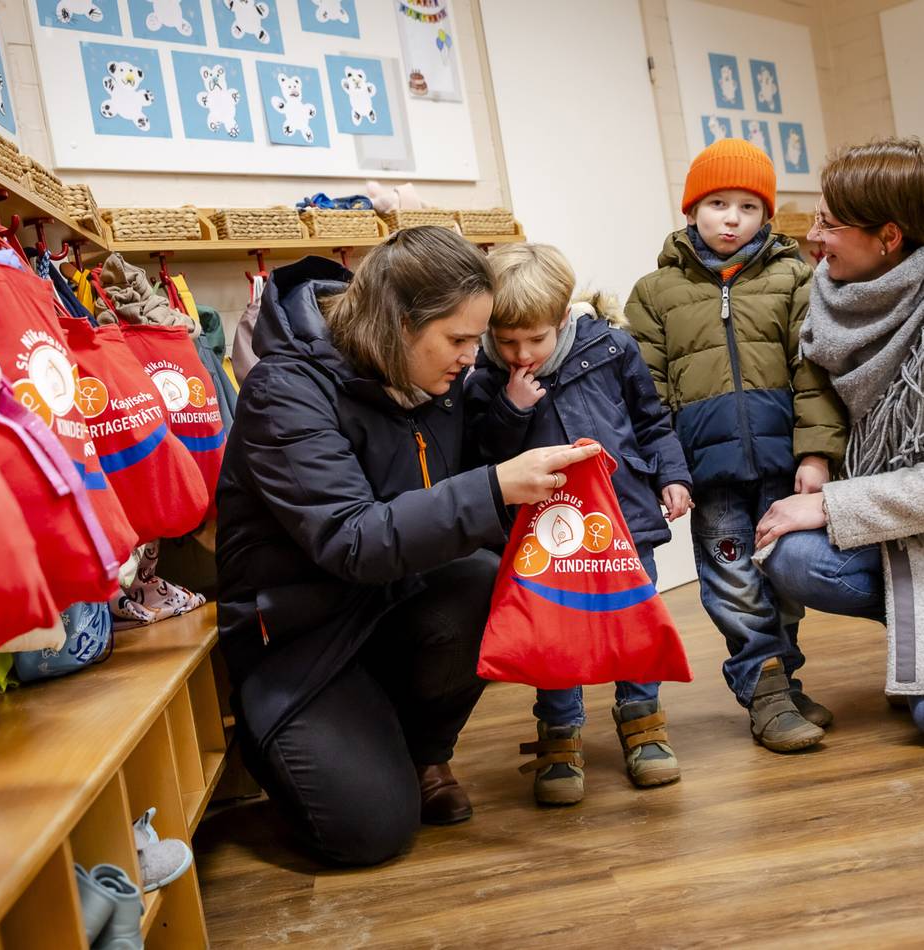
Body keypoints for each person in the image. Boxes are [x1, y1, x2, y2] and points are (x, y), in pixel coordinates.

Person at [215, 226, 600, 867]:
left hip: (390, 609)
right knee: (368, 836)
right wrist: (498, 486)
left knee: (484, 582)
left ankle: (419, 754)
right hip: (301, 644)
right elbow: (352, 537)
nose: (472, 357)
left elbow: (456, 497)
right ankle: (305, 739)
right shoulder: (286, 391)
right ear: (397, 323)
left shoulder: (431, 382)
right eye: (459, 339)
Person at [625, 138, 847, 753]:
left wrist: (815, 454)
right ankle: (763, 684)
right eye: (717, 203)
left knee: (780, 576)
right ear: (691, 209)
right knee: (731, 575)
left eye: (748, 207)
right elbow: (648, 393)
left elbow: (814, 374)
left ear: (766, 215)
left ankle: (781, 681)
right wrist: (667, 467)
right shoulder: (655, 292)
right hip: (710, 472)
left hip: (783, 464)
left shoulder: (795, 278)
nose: (731, 218)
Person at [465, 243, 692, 803]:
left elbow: (650, 419)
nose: (521, 354)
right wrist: (512, 406)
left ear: (564, 318)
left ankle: (644, 724)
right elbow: (482, 454)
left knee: (629, 619)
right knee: (553, 630)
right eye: (506, 341)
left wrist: (672, 475)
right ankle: (560, 734)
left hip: (624, 519)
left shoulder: (613, 348)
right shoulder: (484, 379)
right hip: (544, 533)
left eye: (535, 340)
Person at [755, 137, 924, 733]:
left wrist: (828, 504)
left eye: (829, 224)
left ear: (888, 238)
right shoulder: (825, 298)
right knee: (790, 551)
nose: (813, 238)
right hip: (904, 537)